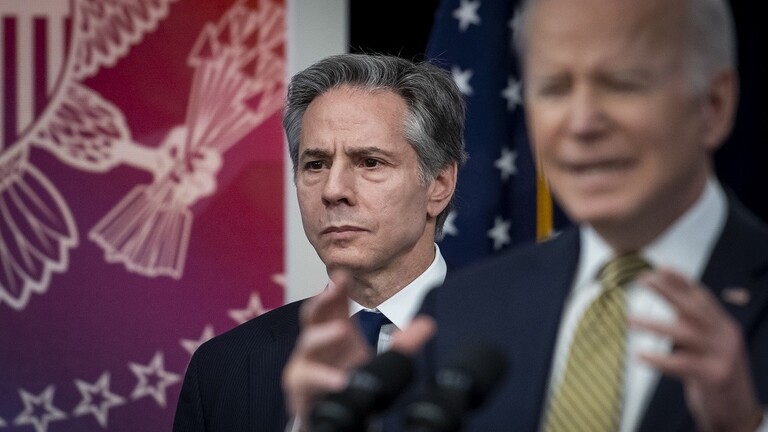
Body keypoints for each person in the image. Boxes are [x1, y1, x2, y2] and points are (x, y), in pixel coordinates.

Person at [281, 0, 768, 431]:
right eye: (553, 88)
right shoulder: (461, 310)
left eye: (622, 84)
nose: (581, 122)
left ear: (714, 105)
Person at [171, 53, 467, 431]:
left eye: (370, 162)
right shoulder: (222, 367)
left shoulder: (519, 340)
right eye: (315, 164)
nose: (333, 190)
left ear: (439, 184)